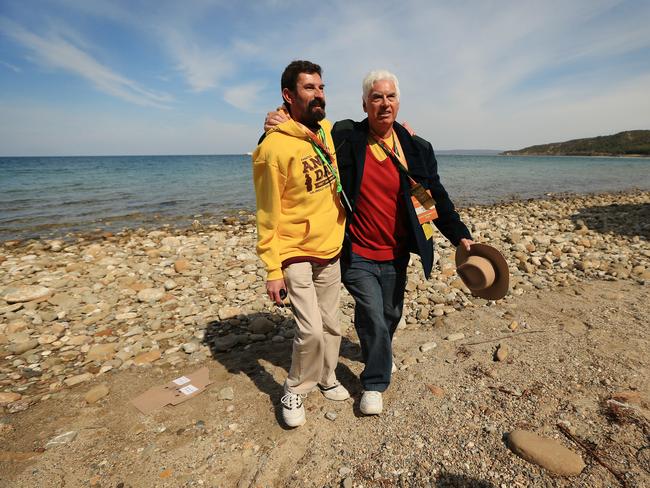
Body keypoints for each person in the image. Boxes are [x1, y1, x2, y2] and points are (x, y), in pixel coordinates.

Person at [264, 70, 473, 416]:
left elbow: (435, 196)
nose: (384, 103)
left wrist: (459, 234)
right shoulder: (346, 135)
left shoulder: (417, 148)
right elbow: (303, 134)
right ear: (364, 104)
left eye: (390, 97)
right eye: (376, 97)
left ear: (398, 102)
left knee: (390, 314)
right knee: (373, 314)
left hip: (396, 252)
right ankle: (375, 383)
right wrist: (275, 120)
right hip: (357, 250)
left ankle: (377, 350)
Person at [252, 60, 349, 428]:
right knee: (308, 329)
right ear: (288, 95)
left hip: (330, 246)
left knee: (332, 326)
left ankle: (327, 377)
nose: (319, 94)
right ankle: (295, 387)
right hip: (294, 249)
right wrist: (272, 269)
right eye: (309, 88)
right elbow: (266, 213)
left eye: (321, 87)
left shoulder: (324, 130)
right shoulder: (272, 148)